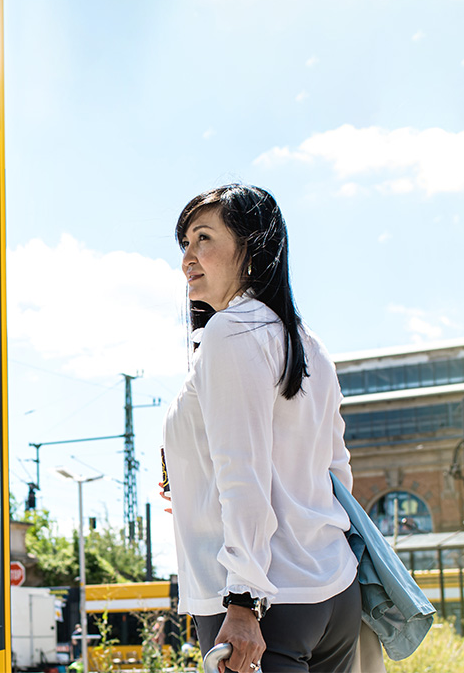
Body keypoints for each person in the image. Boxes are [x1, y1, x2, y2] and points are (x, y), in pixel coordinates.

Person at [161, 184, 361, 673]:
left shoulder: (231, 331)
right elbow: (335, 471)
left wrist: (243, 600)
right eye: (184, 243)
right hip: (332, 591)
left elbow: (242, 472)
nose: (189, 256)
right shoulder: (308, 343)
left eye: (203, 238)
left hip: (263, 605)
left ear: (251, 248)